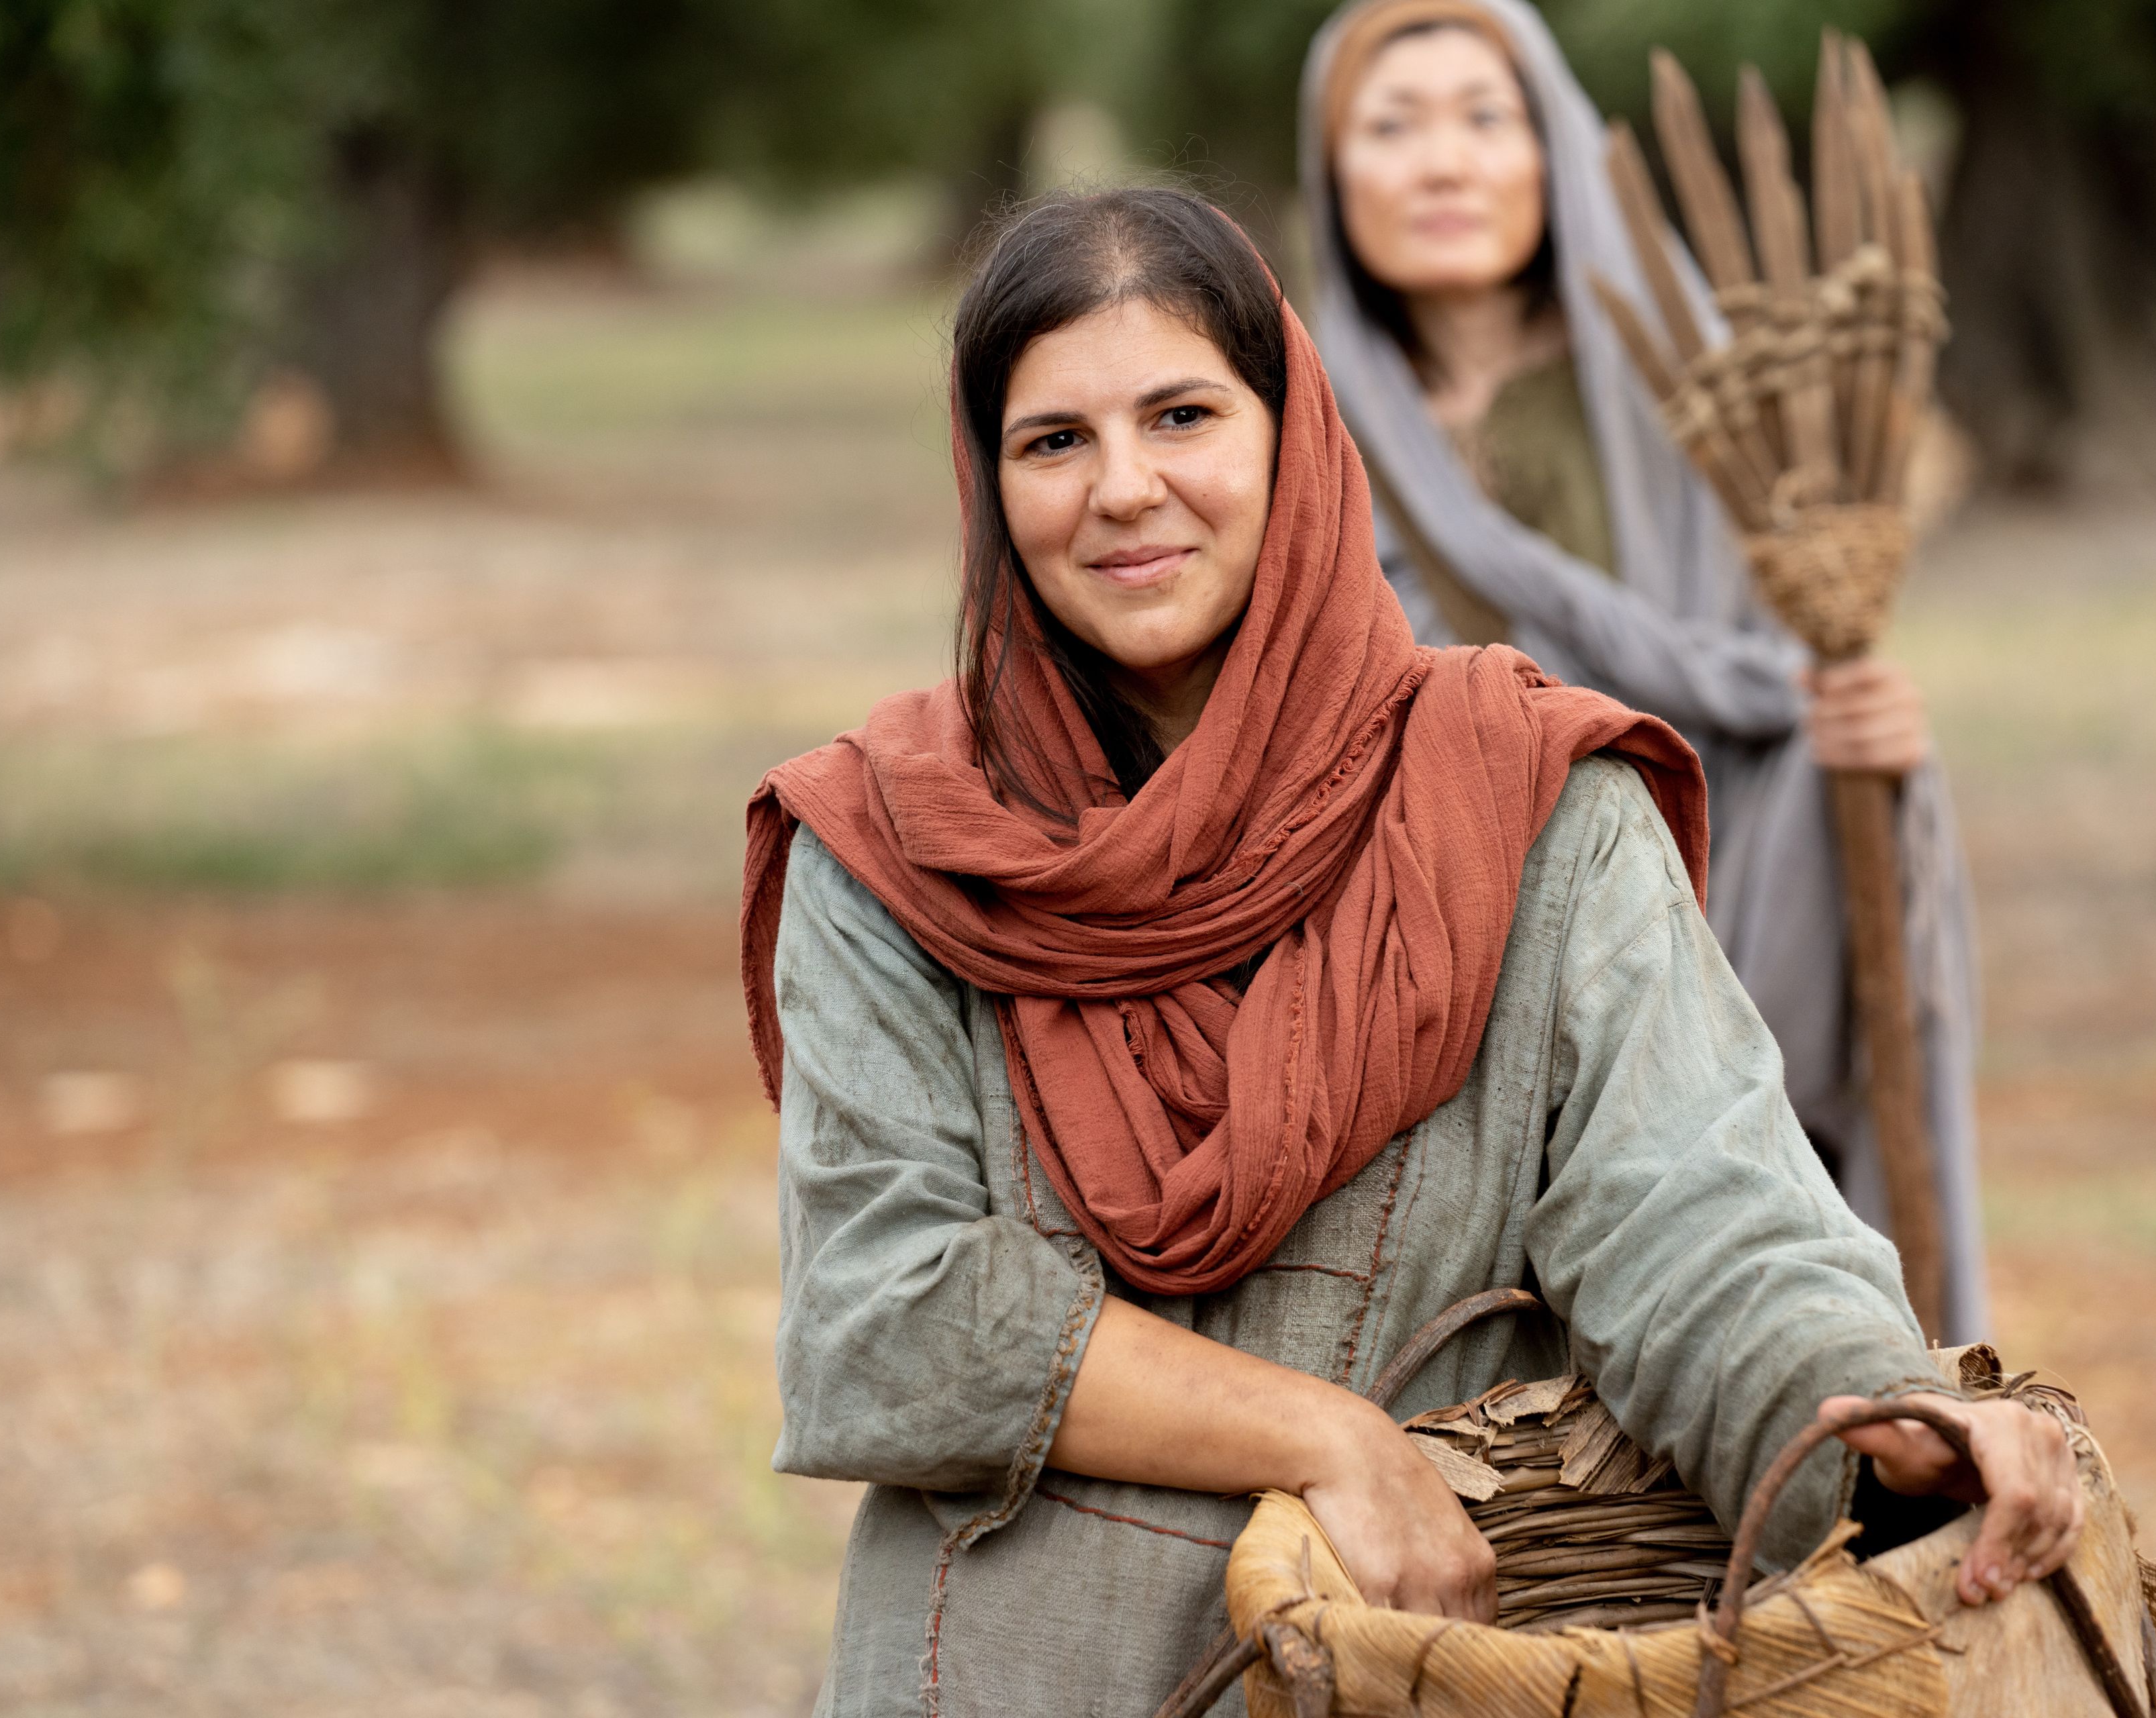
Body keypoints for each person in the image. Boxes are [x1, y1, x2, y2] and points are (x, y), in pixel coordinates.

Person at [741, 186, 2075, 1716]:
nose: (1122, 489)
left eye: (1183, 415)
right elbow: (888, 1306)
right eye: (1054, 441)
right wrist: (1329, 1438)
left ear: (1294, 434)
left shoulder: (1524, 800)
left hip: (1416, 1672)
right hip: (1004, 1670)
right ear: (989, 486)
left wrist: (1880, 1423)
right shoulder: (901, 839)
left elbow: (1704, 1220)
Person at [1299, 0, 1990, 1340]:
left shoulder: (1710, 400)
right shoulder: (1292, 435)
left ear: (1554, 147)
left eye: (1486, 118)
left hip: (1737, 902)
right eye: (1393, 127)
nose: (1444, 163)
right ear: (1335, 181)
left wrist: (1846, 717)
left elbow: (1777, 655)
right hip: (1441, 965)